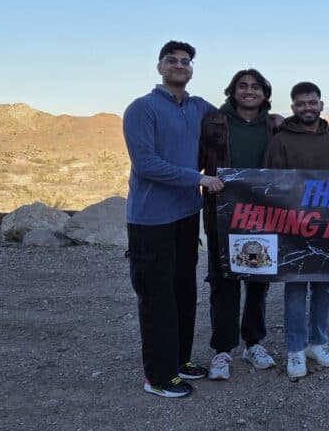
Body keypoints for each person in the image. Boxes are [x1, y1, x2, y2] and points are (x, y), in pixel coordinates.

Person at [123, 40, 219, 398]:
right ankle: (159, 376)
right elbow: (145, 164)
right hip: (151, 221)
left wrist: (271, 117)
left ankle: (179, 360)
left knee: (183, 292)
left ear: (191, 69)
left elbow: (233, 116)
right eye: (172, 60)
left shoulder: (196, 107)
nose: (180, 65)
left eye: (185, 61)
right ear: (160, 67)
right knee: (157, 297)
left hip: (185, 216)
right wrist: (198, 178)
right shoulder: (142, 109)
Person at [199, 69, 283, 380]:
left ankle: (253, 343)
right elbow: (198, 164)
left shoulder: (275, 126)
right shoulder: (215, 123)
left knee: (258, 280)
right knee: (224, 283)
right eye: (242, 86)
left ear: (265, 93)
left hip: (263, 215)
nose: (249, 91)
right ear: (232, 91)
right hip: (223, 215)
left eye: (256, 87)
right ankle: (222, 350)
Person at [264, 82, 329, 380]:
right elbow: (270, 184)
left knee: (323, 287)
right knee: (296, 289)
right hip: (293, 228)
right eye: (301, 104)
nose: (307, 108)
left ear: (321, 104)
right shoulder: (281, 140)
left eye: (312, 102)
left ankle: (318, 342)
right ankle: (295, 348)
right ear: (293, 107)